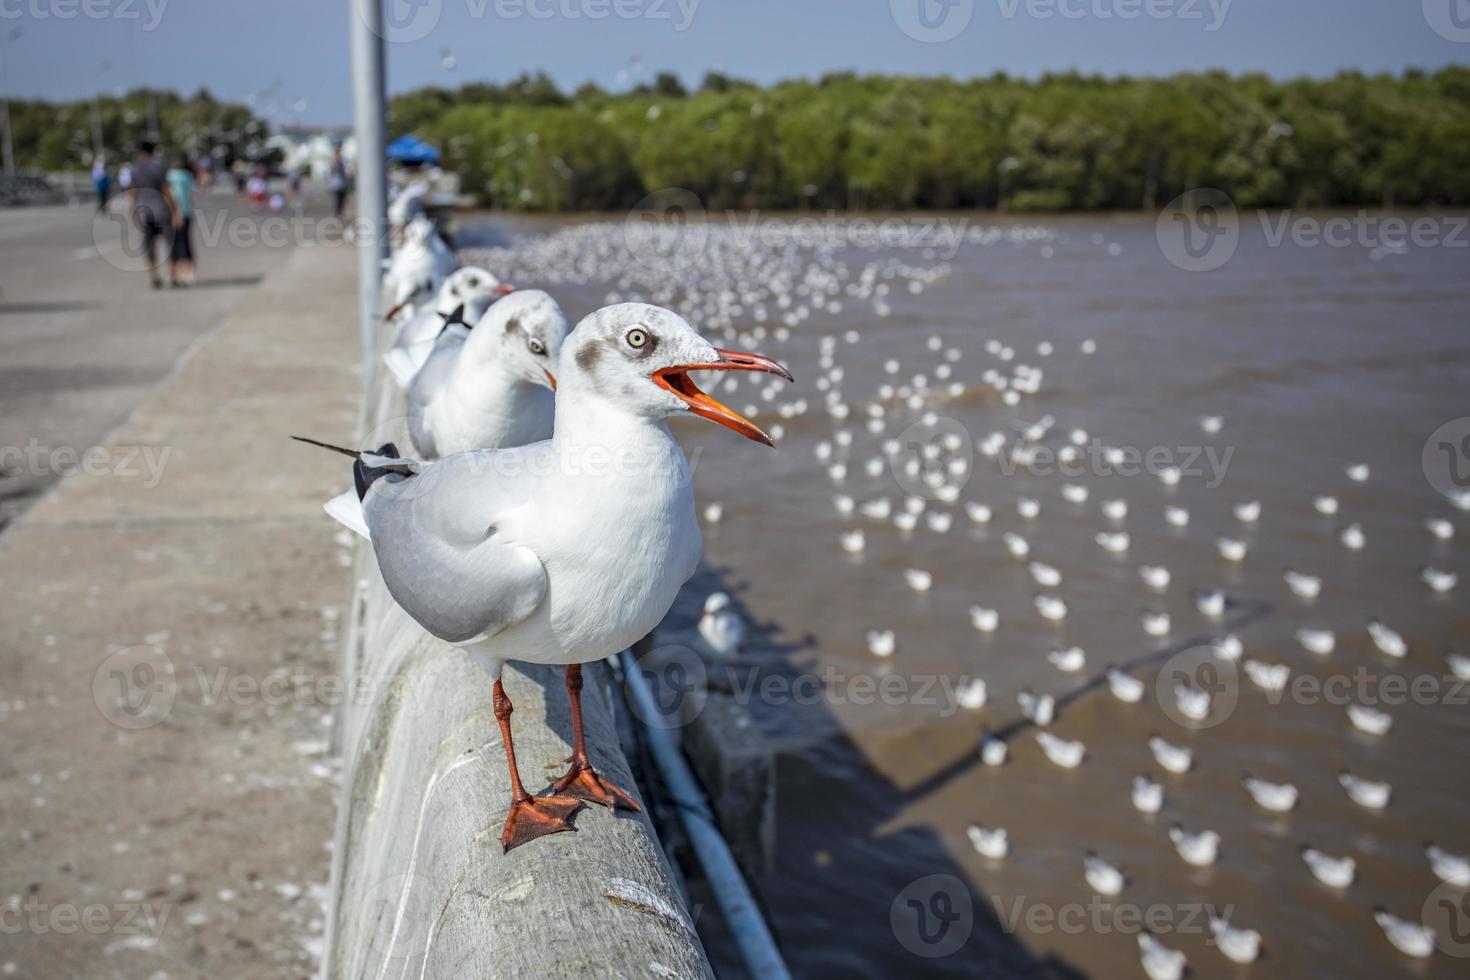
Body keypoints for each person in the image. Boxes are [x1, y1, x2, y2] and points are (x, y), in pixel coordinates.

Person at [127, 141, 175, 290]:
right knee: (170, 243)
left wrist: (133, 210)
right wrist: (174, 209)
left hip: (144, 210)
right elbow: (165, 188)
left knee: (148, 245)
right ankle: (173, 276)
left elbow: (133, 191)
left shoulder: (134, 168)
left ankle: (154, 277)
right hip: (160, 208)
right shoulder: (159, 166)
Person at [166, 153, 197, 286]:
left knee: (182, 243)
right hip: (175, 213)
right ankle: (180, 272)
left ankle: (187, 271)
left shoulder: (181, 175)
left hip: (183, 212)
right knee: (178, 244)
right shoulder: (172, 175)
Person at [329, 145, 350, 218]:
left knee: (341, 199)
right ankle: (338, 213)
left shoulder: (342, 161)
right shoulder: (334, 161)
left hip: (341, 183)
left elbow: (346, 172)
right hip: (337, 184)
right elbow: (332, 171)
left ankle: (340, 212)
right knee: (338, 199)